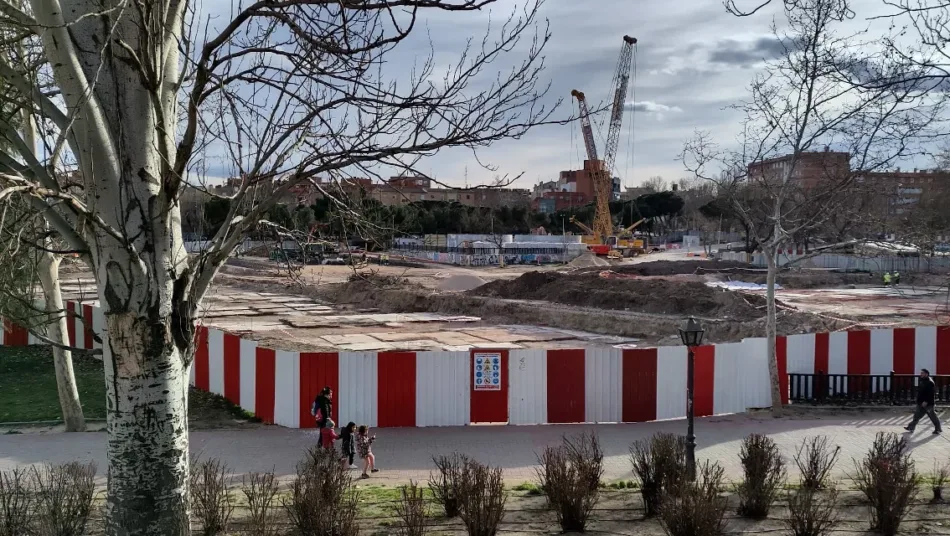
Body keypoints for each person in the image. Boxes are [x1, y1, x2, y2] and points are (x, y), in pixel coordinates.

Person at [905, 368, 942, 435]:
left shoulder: (930, 382)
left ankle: (938, 429)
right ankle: (911, 427)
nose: (921, 374)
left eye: (922, 373)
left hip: (928, 404)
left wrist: (926, 401)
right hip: (920, 402)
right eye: (921, 373)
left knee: (932, 416)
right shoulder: (922, 380)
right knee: (917, 415)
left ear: (926, 374)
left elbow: (930, 394)